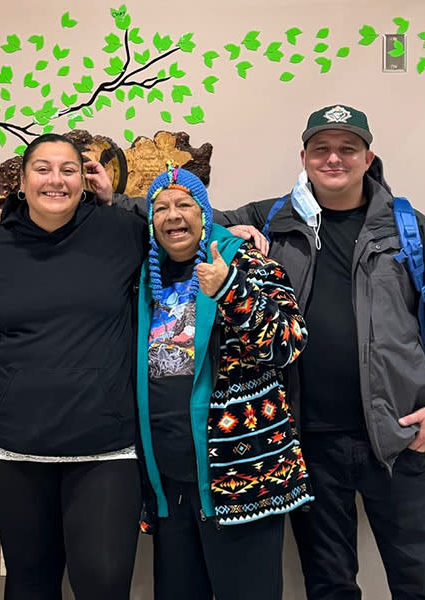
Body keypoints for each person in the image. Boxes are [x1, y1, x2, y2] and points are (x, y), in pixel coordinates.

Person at [217, 105, 425, 599]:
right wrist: (225, 233)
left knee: (417, 583)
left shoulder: (408, 227)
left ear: (368, 157)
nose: (334, 158)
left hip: (397, 439)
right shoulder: (271, 220)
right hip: (306, 443)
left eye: (348, 148)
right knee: (329, 586)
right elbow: (183, 220)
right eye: (321, 148)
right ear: (304, 157)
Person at [0, 134, 148, 599]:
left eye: (68, 169)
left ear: (85, 180)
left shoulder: (122, 232)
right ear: (19, 181)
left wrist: (234, 233)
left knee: (103, 583)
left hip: (106, 444)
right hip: (13, 444)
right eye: (42, 169)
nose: (55, 179)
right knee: (30, 582)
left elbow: (183, 226)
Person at [133, 164, 312, 600]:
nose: (173, 215)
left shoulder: (244, 261)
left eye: (184, 204)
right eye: (161, 208)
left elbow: (291, 340)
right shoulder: (144, 275)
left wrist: (230, 288)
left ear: (205, 213)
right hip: (171, 485)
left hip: (241, 481)